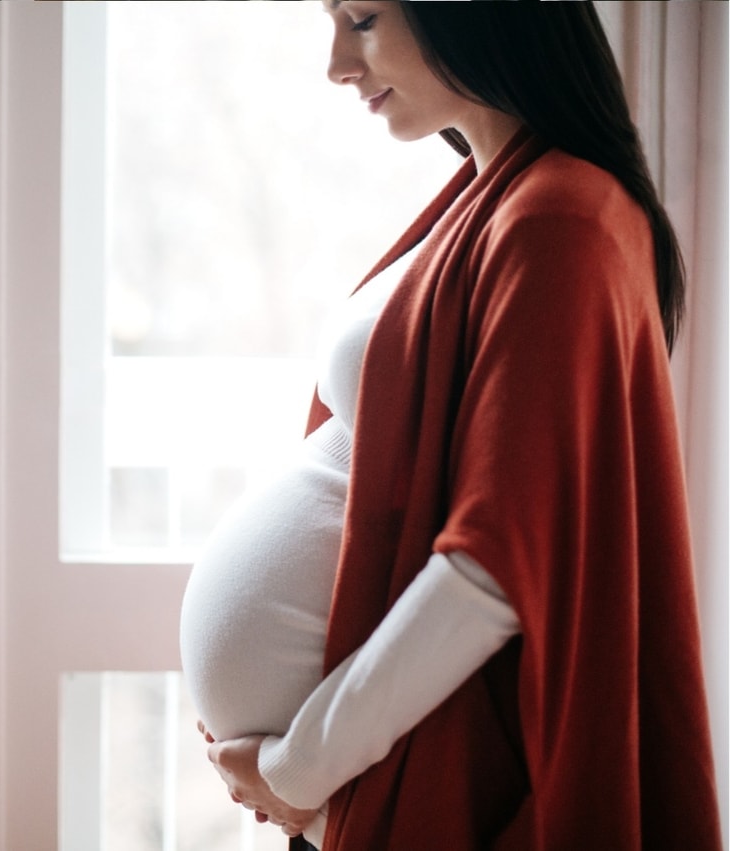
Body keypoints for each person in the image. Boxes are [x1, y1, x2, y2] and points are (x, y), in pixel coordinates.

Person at [177, 2, 723, 849]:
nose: (337, 64)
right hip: (381, 773)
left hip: (424, 782)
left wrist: (299, 768)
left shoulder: (560, 219)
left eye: (361, 19)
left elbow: (495, 568)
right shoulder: (498, 193)